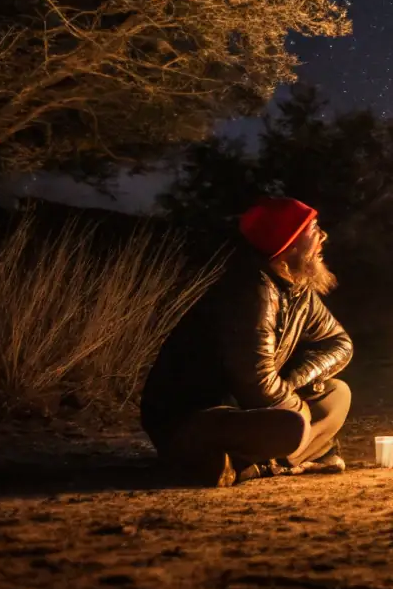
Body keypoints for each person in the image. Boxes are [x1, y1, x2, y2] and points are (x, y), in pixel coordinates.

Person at [141, 197, 353, 486]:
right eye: (314, 229)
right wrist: (296, 405)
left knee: (338, 394)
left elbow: (339, 343)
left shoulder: (297, 287)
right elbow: (255, 386)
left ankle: (242, 465)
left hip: (249, 408)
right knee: (293, 426)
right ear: (290, 243)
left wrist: (295, 380)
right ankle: (211, 456)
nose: (323, 236)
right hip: (197, 417)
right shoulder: (251, 293)